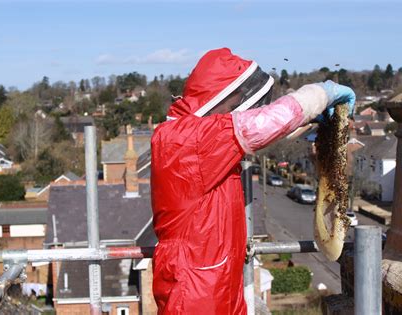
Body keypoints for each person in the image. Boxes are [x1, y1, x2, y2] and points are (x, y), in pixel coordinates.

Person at [150, 48, 355, 314]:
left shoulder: (199, 140)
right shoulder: (183, 139)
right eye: (234, 105)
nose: (238, 111)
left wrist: (311, 119)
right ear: (214, 97)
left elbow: (260, 135)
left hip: (214, 278)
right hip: (193, 288)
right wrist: (321, 93)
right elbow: (259, 126)